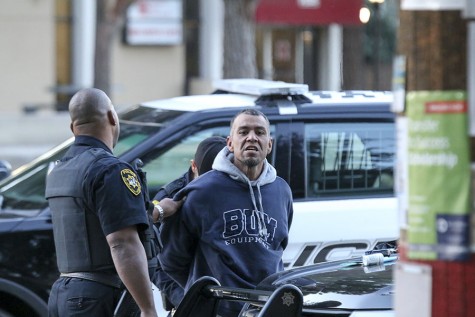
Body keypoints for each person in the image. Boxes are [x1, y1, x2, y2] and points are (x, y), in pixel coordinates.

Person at [45, 88, 182, 317]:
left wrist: (157, 209)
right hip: (101, 296)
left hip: (64, 294)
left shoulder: (58, 170)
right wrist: (148, 309)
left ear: (73, 128)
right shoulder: (110, 170)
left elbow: (95, 220)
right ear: (112, 117)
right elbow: (122, 243)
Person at [159, 109, 294, 316]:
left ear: (269, 144)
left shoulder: (281, 190)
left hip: (266, 308)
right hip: (217, 310)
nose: (252, 138)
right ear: (230, 143)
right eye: (243, 132)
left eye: (260, 132)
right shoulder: (202, 191)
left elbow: (278, 246)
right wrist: (207, 295)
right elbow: (172, 260)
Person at [151, 136, 227, 313]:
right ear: (194, 166)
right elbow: (153, 261)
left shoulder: (231, 185)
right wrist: (184, 297)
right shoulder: (170, 198)